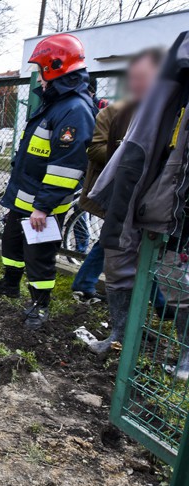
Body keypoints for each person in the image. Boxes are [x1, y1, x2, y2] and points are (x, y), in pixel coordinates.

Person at [0, 34, 95, 329]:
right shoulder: (55, 103)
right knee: (12, 245)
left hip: (43, 206)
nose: (39, 77)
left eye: (41, 69)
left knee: (39, 256)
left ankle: (40, 304)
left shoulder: (74, 110)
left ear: (54, 67)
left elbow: (66, 167)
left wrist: (43, 208)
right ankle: (9, 283)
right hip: (23, 198)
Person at [81, 48, 163, 354]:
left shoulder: (172, 114)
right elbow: (95, 150)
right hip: (122, 201)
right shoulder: (114, 113)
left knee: (164, 270)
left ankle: (167, 334)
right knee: (115, 258)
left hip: (162, 203)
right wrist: (126, 159)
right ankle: (121, 333)